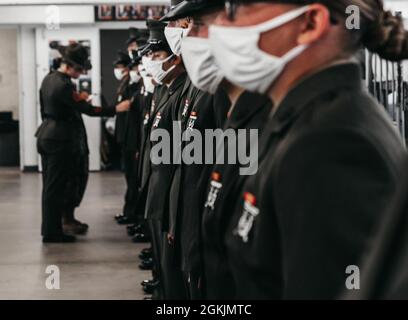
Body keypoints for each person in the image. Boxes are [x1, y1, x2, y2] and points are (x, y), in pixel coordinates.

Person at [205, 0, 408, 299]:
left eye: (239, 6)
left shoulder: (331, 145)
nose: (221, 22)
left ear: (310, 23)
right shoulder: (301, 120)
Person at [36, 43, 130, 243]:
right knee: (56, 187)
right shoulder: (64, 85)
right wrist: (115, 109)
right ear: (68, 65)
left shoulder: (49, 79)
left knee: (51, 186)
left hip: (47, 134)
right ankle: (52, 232)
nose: (81, 73)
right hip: (59, 139)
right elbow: (87, 110)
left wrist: (78, 100)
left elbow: (52, 106)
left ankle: (54, 227)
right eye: (79, 69)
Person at [140, 18, 190, 299]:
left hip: (172, 195)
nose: (151, 62)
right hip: (160, 191)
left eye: (157, 56)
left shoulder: (182, 92)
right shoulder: (169, 91)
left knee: (175, 275)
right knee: (165, 268)